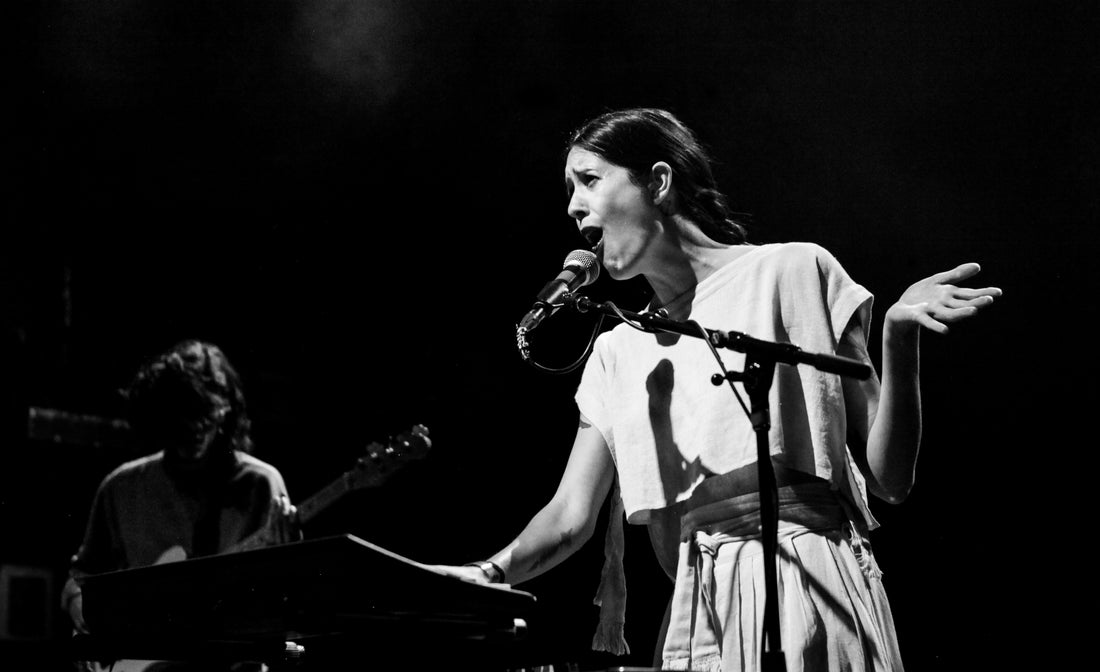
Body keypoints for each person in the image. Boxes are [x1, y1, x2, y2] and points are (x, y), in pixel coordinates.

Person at [431, 108, 1001, 671]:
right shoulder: (617, 350)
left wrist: (899, 340)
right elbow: (568, 516)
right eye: (570, 188)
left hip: (810, 576)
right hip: (698, 606)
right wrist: (489, 572)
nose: (573, 205)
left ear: (657, 181)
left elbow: (890, 479)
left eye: (589, 179)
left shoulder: (793, 271)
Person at [61, 339, 299, 670]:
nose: (194, 429)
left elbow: (287, 601)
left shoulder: (261, 484)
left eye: (205, 414)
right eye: (180, 417)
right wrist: (83, 624)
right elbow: (81, 578)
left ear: (225, 409)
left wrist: (288, 561)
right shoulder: (121, 487)